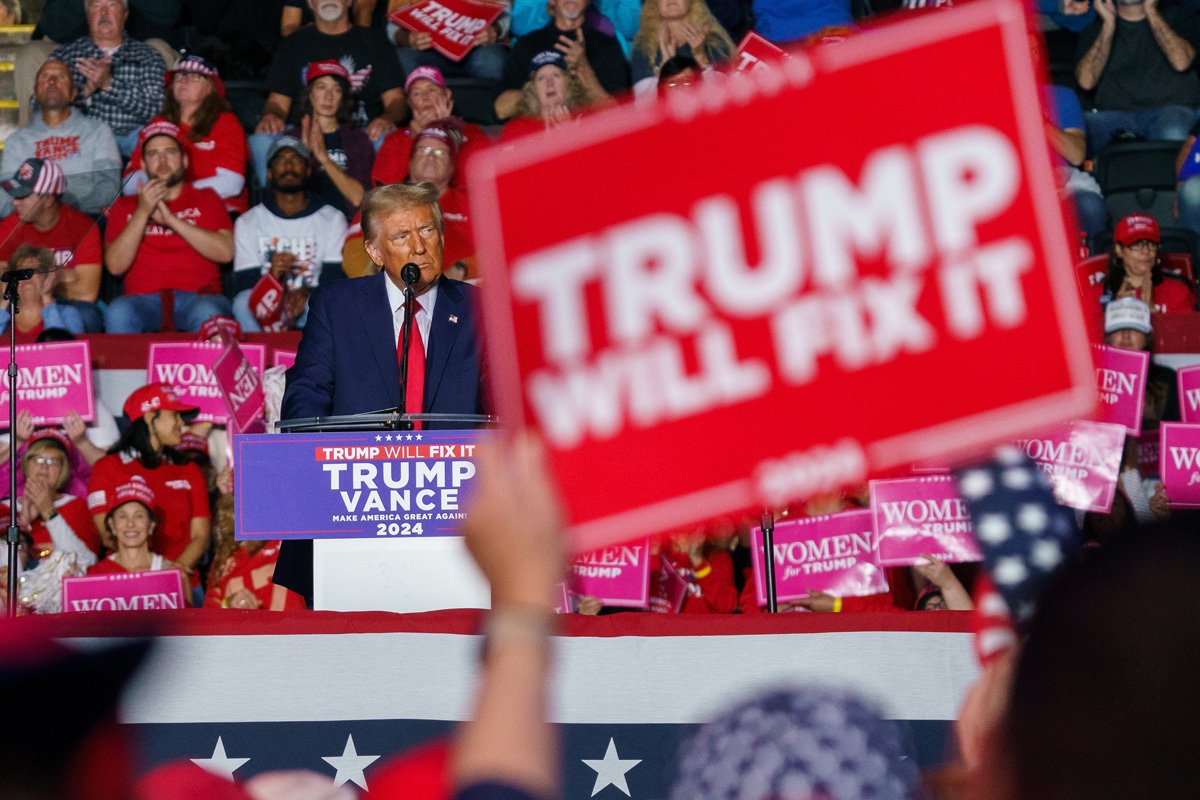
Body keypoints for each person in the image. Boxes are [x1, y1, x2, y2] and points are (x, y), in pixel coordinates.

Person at [278, 182, 486, 603]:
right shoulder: (337, 305)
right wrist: (312, 465)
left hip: (455, 512)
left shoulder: (480, 310)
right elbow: (306, 397)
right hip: (353, 507)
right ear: (374, 252)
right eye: (401, 236)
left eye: (428, 231)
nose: (419, 247)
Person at [251, 0, 406, 189]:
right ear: (310, 3)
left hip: (361, 132)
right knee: (261, 140)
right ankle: (275, 211)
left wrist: (386, 118)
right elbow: (277, 102)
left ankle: (381, 209)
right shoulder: (294, 44)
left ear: (350, 1)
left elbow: (397, 101)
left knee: (387, 138)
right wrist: (271, 115)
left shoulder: (375, 41)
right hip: (303, 132)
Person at [103, 119, 235, 333]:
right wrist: (143, 212)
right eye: (153, 154)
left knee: (208, 312)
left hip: (199, 298)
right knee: (118, 312)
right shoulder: (124, 206)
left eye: (170, 153)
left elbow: (225, 253)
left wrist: (173, 221)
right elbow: (115, 266)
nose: (162, 161)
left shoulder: (207, 197)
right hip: (142, 301)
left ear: (184, 161)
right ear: (143, 164)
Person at [87, 383, 211, 589]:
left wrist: (172, 574)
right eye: (175, 416)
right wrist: (149, 577)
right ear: (149, 417)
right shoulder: (107, 468)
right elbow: (108, 536)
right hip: (125, 584)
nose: (182, 423)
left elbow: (201, 536)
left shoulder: (188, 469)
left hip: (182, 581)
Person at [232, 136, 349, 332]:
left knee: (334, 301)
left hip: (312, 299)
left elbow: (335, 278)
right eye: (280, 160)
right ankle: (258, 361)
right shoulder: (248, 222)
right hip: (268, 302)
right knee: (242, 302)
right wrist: (273, 277)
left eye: (296, 159)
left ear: (308, 170)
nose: (288, 165)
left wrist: (306, 292)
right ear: (269, 173)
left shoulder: (332, 218)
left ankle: (323, 360)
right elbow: (245, 283)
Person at [123, 55, 249, 216]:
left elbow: (232, 184)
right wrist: (164, 196)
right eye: (179, 75)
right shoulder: (157, 123)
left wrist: (176, 194)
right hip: (162, 208)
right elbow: (130, 181)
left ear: (210, 88)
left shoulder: (226, 123)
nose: (184, 80)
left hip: (216, 208)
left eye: (195, 76)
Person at [0, 57, 121, 219]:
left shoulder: (98, 131)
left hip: (84, 220)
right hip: (31, 224)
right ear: (35, 93)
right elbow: (4, 199)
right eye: (45, 76)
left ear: (73, 93)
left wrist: (57, 208)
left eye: (61, 77)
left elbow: (109, 190)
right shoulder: (17, 141)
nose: (52, 81)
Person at [45, 0, 168, 158]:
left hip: (132, 144)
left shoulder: (148, 56)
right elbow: (40, 107)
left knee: (156, 149)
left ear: (125, 15)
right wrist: (82, 94)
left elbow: (159, 109)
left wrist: (109, 84)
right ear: (88, 16)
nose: (103, 13)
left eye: (111, 5)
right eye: (96, 6)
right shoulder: (64, 57)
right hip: (80, 144)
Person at [1075, 0, 1200, 153]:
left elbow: (1181, 63)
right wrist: (1108, 25)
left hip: (1170, 110)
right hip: (1112, 114)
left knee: (1174, 131)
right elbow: (1086, 82)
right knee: (1076, 136)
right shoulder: (1096, 28)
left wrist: (1152, 12)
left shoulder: (1179, 18)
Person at [0, 159, 103, 331]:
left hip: (68, 304)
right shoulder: (9, 226)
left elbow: (87, 293)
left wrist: (29, 280)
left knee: (86, 316)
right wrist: (60, 274)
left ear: (48, 199)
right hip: (20, 302)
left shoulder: (83, 227)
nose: (14, 202)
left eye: (23, 195)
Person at [494, 0, 628, 121]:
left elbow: (616, 113)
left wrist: (584, 70)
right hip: (536, 138)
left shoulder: (606, 46)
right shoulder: (528, 44)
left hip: (589, 137)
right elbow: (501, 109)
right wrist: (541, 87)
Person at [372, 66, 490, 191]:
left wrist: (448, 136)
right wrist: (414, 140)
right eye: (416, 93)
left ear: (447, 95)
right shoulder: (398, 138)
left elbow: (481, 184)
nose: (425, 97)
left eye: (432, 90)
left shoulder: (472, 133)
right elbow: (385, 189)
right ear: (410, 103)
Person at [286, 60, 374, 219]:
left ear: (343, 97)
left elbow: (358, 198)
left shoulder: (357, 139)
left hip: (347, 223)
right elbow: (286, 197)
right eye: (321, 87)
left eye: (336, 89)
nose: (328, 97)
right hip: (304, 223)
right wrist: (303, 158)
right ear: (310, 94)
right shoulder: (293, 139)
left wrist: (324, 159)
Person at [0, 429, 101, 567]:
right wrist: (22, 525)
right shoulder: (4, 509)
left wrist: (48, 510)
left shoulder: (78, 507)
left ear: (63, 470)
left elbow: (87, 562)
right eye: (37, 459)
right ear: (26, 464)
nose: (44, 466)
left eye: (53, 461)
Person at [1092, 213, 1196, 313]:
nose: (1146, 251)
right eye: (1136, 244)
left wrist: (1152, 314)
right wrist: (1116, 313)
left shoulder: (1177, 292)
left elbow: (1188, 331)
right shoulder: (1097, 294)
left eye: (1151, 244)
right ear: (1119, 250)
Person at [631, 0, 734, 97]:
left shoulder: (714, 42)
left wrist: (701, 59)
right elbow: (644, 108)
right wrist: (664, 70)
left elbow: (725, 99)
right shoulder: (644, 46)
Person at [386, 0, 509, 81]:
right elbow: (392, 28)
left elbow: (505, 16)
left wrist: (494, 30)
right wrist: (408, 39)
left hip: (477, 47)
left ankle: (491, 115)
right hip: (427, 49)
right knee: (404, 58)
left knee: (492, 59)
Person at [0, 244, 85, 340]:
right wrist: (4, 300)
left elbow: (63, 350)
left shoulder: (69, 313)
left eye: (35, 271)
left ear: (47, 277)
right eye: (20, 271)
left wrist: (47, 297)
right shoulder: (3, 315)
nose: (27, 277)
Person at [501, 51, 591, 140]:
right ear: (533, 89)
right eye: (541, 78)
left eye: (556, 75)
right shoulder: (516, 128)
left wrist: (571, 138)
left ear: (568, 83)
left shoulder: (588, 120)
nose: (549, 83)